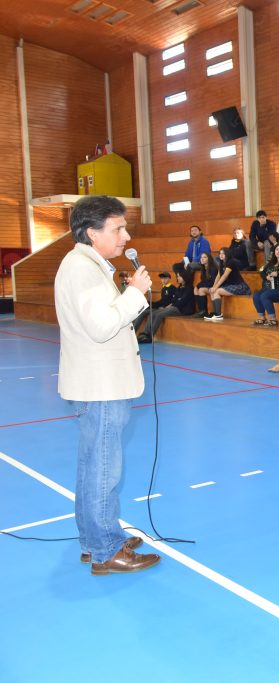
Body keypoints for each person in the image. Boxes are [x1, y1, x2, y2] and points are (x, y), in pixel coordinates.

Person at [54, 195, 160, 575]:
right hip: (100, 387)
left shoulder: (88, 265)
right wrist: (135, 293)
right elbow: (101, 327)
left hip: (100, 383)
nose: (126, 236)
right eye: (118, 229)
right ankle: (105, 550)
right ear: (91, 232)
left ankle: (96, 539)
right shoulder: (82, 270)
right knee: (104, 469)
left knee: (94, 466)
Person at [136, 269, 194, 343]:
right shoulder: (179, 288)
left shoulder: (189, 288)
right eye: (177, 276)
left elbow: (182, 302)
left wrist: (171, 305)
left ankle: (150, 336)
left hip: (182, 310)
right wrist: (174, 303)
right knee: (153, 313)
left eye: (179, 276)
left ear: (185, 277)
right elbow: (175, 300)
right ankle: (145, 334)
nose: (178, 278)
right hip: (175, 307)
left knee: (159, 315)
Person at [205, 246, 252, 322]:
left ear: (227, 254)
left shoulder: (231, 262)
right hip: (230, 285)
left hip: (239, 286)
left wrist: (216, 288)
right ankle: (215, 313)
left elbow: (224, 276)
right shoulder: (221, 263)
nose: (221, 255)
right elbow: (218, 276)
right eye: (220, 253)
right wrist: (213, 287)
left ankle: (218, 315)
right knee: (213, 291)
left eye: (223, 253)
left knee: (217, 291)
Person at [252, 244, 279, 326]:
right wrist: (266, 277)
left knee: (265, 295)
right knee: (256, 295)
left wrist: (278, 274)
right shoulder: (270, 263)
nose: (278, 252)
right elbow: (262, 273)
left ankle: (273, 319)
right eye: (277, 250)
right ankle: (262, 318)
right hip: (268, 287)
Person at [191, 251, 220, 319]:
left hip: (214, 286)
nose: (202, 259)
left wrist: (199, 286)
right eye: (201, 257)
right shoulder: (203, 268)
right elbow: (203, 281)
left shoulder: (213, 268)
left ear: (209, 259)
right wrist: (197, 286)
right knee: (195, 289)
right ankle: (201, 310)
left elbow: (212, 282)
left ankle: (204, 311)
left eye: (204, 257)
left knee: (201, 289)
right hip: (208, 285)